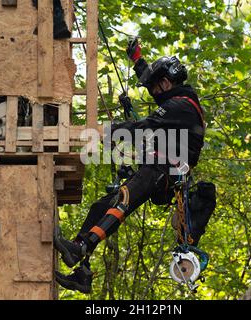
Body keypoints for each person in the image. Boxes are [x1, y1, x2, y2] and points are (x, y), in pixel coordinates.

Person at [54, 39, 206, 294]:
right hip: (155, 169)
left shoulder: (181, 106)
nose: (155, 93)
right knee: (102, 205)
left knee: (122, 200)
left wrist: (107, 132)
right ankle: (81, 263)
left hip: (165, 172)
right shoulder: (173, 101)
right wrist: (137, 60)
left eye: (158, 87)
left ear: (167, 83)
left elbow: (144, 126)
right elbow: (151, 83)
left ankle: (81, 248)